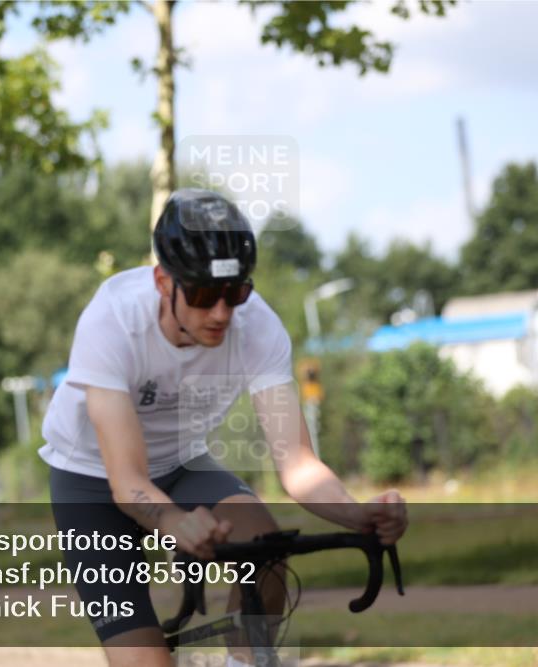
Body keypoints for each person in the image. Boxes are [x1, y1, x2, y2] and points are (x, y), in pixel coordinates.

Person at [39, 189, 408, 667]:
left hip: (180, 462)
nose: (221, 314)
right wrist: (173, 521)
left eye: (235, 294)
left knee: (267, 553)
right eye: (203, 294)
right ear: (162, 281)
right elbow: (127, 483)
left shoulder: (258, 328)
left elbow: (297, 464)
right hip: (88, 479)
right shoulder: (111, 320)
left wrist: (358, 516)